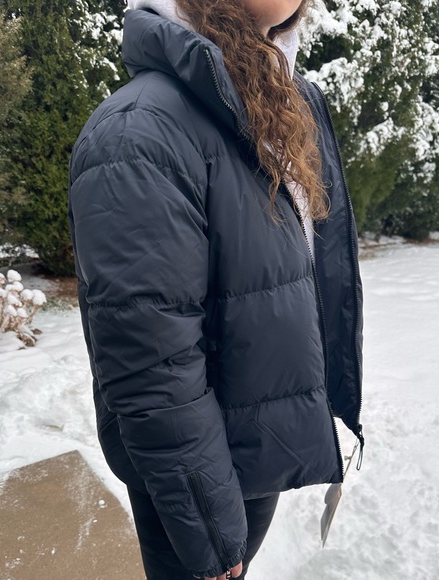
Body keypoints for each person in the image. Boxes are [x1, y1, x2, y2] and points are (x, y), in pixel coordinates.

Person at [67, 0, 364, 578]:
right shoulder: (139, 130)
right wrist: (209, 533)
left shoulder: (275, 100)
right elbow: (151, 360)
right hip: (201, 476)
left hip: (253, 448)